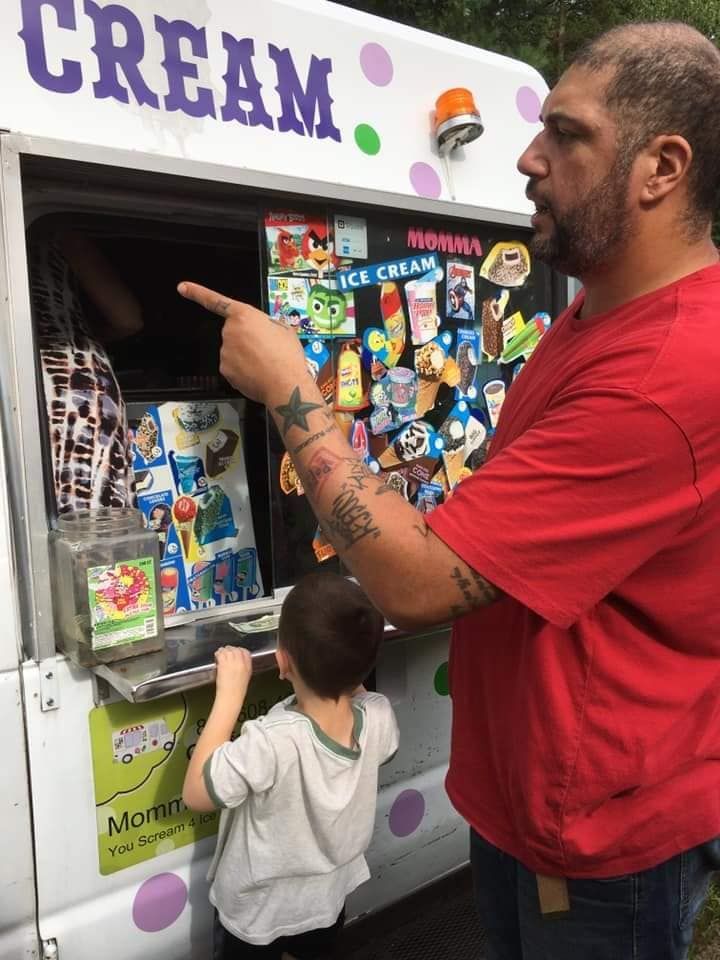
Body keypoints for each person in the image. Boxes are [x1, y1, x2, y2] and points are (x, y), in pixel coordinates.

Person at [177, 21, 720, 958]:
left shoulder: (665, 371)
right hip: (528, 802)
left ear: (662, 167)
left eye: (566, 132)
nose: (528, 155)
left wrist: (291, 389)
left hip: (599, 841)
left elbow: (420, 585)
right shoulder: (592, 316)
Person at [182, 572, 399, 959]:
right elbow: (356, 686)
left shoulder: (274, 740)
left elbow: (198, 792)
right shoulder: (378, 717)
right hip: (325, 903)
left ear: (282, 661)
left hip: (257, 914)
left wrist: (230, 694)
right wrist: (347, 668)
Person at [29, 227, 142, 515]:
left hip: (26, 370)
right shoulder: (56, 226)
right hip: (72, 374)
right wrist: (89, 338)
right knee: (93, 511)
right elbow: (128, 319)